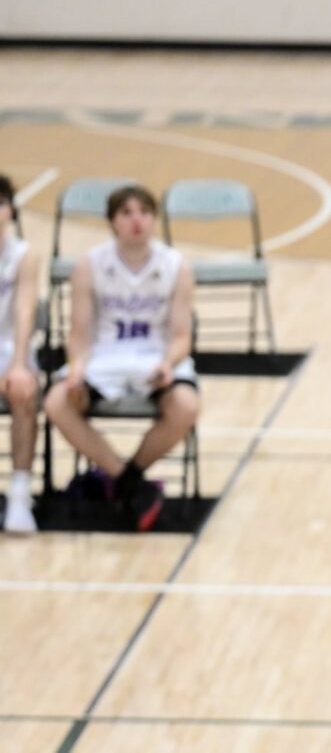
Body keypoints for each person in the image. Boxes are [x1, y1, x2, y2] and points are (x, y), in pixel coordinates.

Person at [44, 185, 200, 532]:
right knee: (57, 402)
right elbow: (79, 333)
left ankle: (126, 479)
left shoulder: (176, 266)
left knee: (187, 406)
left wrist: (167, 364)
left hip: (155, 358)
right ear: (112, 221)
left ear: (154, 220)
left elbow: (180, 337)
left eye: (144, 212)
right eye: (127, 213)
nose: (137, 220)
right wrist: (77, 369)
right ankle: (129, 482)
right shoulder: (90, 264)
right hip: (105, 358)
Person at [0, 175, 41, 533]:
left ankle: (19, 493)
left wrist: (18, 364)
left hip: (8, 346)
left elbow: (24, 313)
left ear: (11, 211)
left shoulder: (23, 255)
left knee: (23, 389)